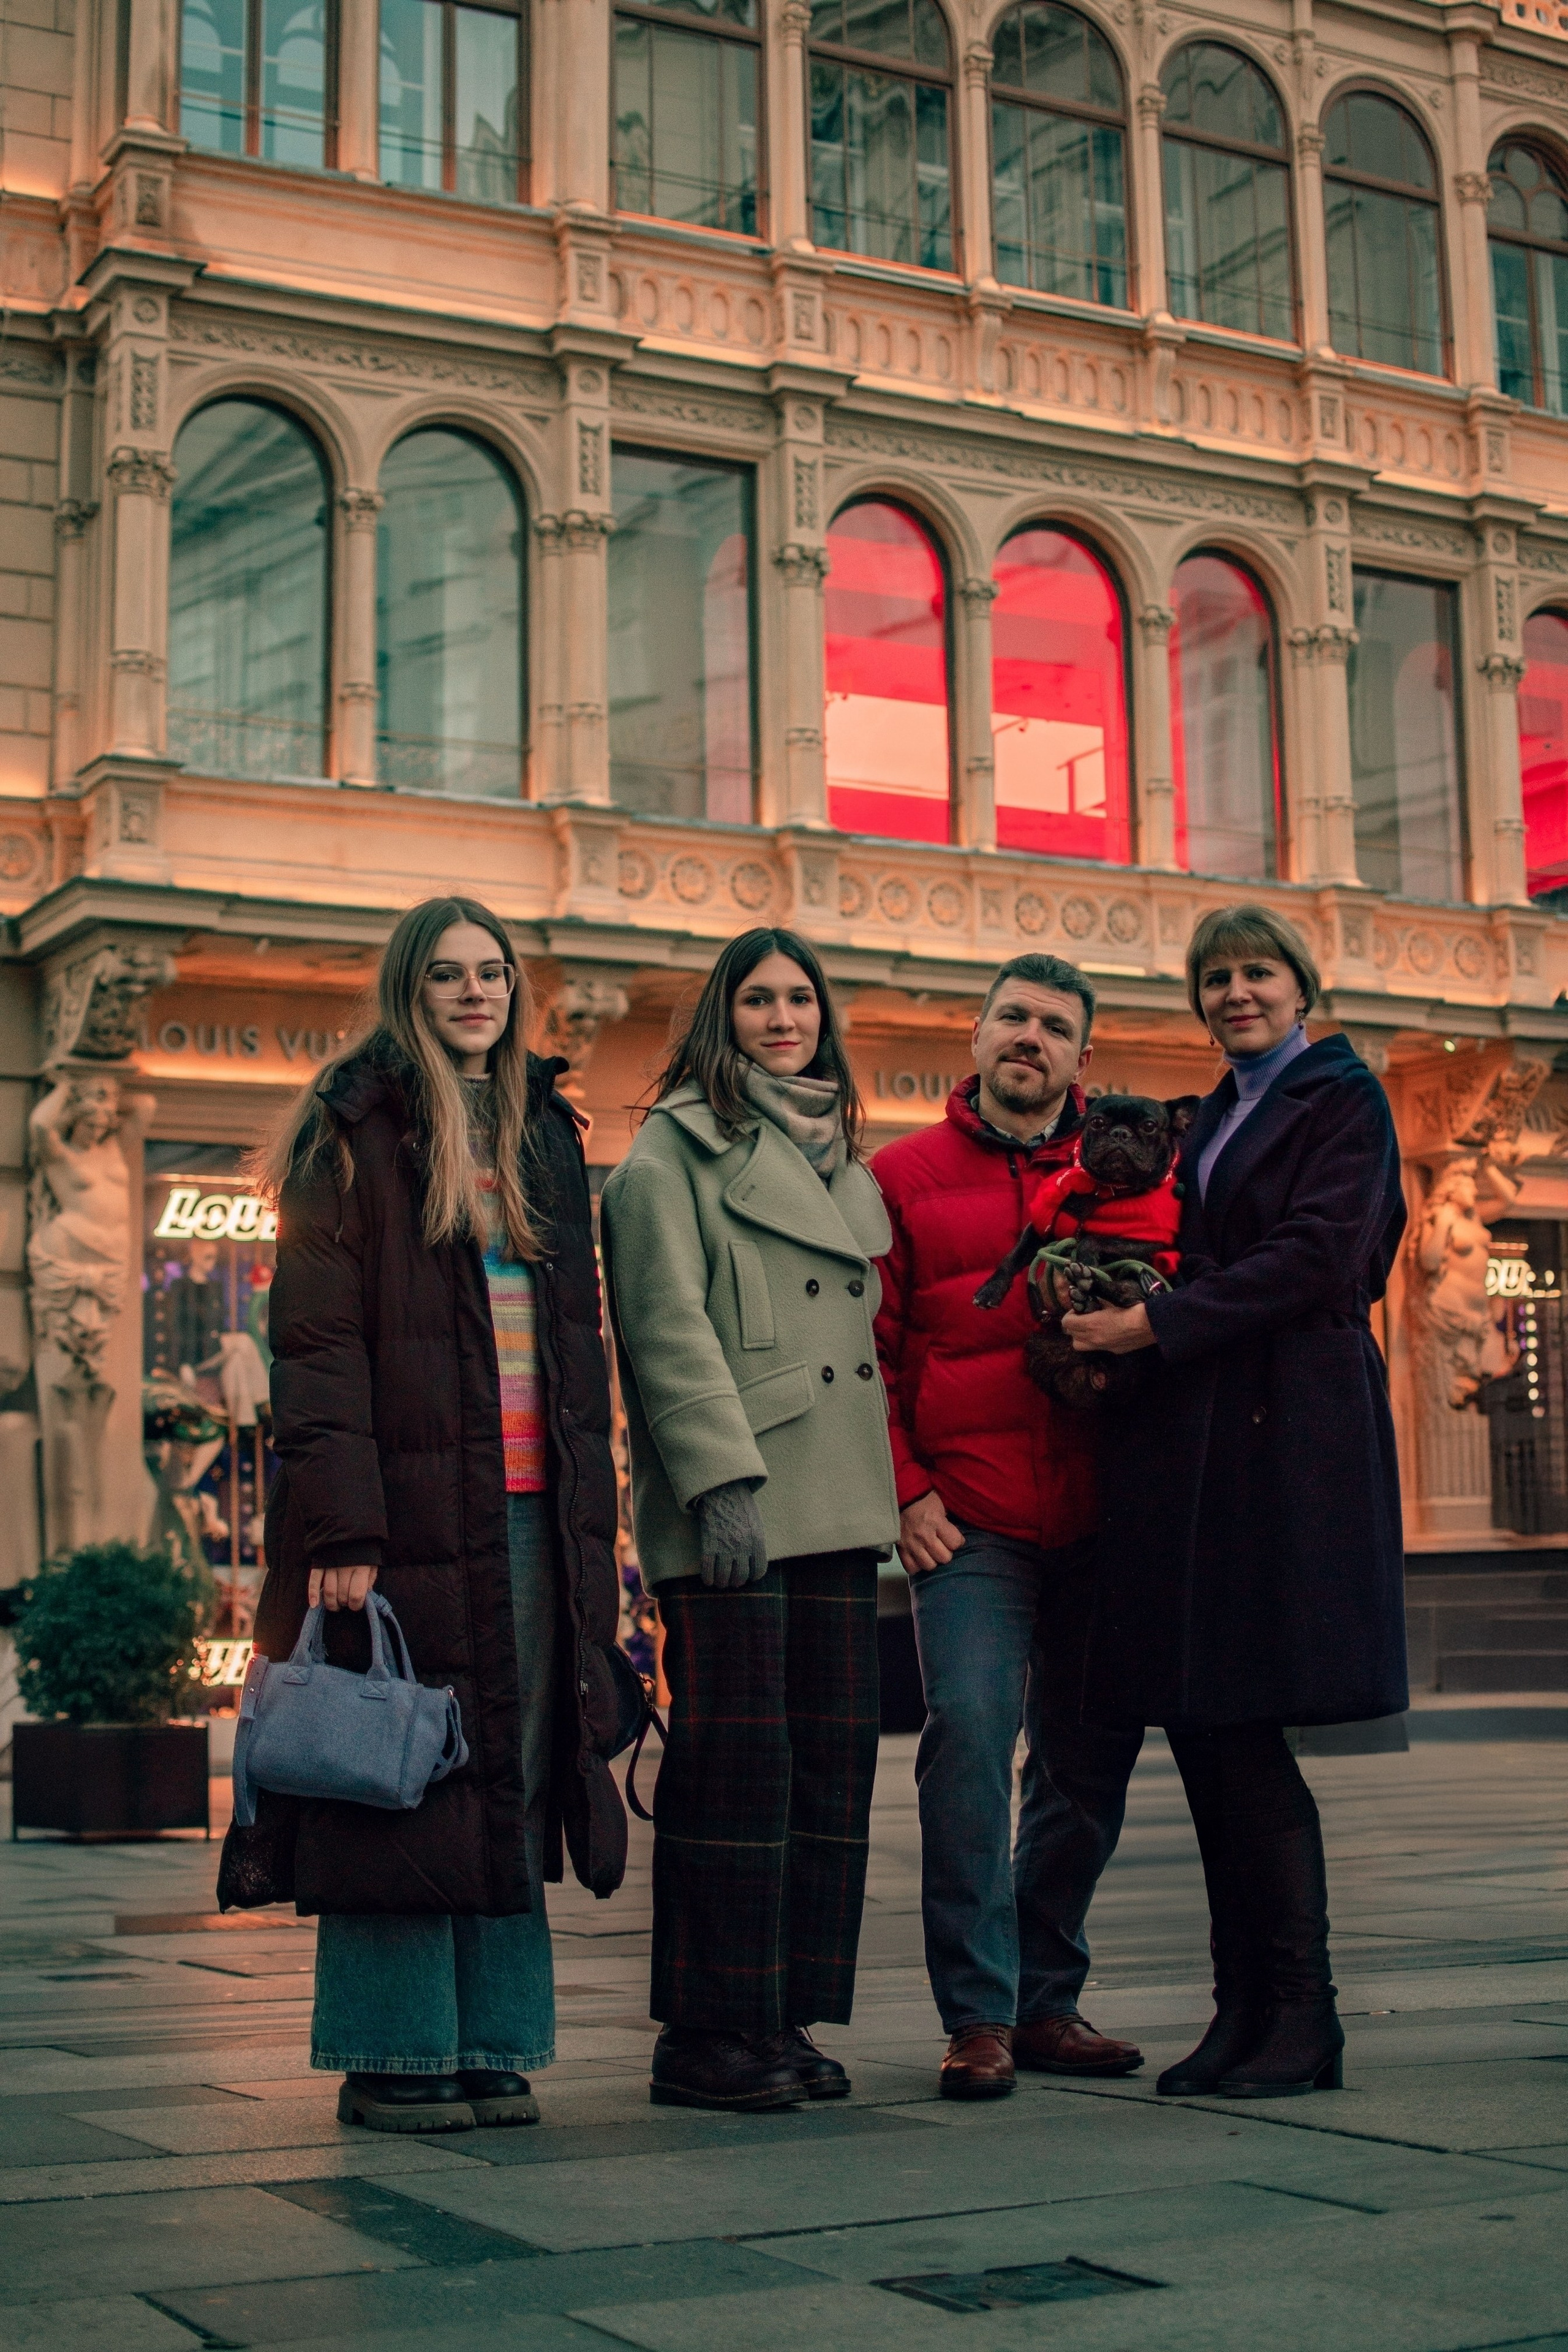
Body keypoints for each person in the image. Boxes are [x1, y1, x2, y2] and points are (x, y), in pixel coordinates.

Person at [230, 895, 627, 2133]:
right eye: (448, 974)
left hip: (525, 1515)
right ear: (409, 988)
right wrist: (342, 1531)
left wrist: (594, 1527)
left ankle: (496, 2039)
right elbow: (316, 1346)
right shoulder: (352, 1128)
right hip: (396, 1520)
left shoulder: (545, 1138)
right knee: (394, 1777)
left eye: (493, 973)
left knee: (507, 1774)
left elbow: (578, 1351)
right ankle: (393, 2048)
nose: (474, 992)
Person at [1064, 904, 1408, 2098]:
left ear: (1298, 984)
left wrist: (1153, 1319)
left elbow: (1321, 1255)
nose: (1233, 994)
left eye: (1254, 973)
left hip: (1288, 1439)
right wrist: (1123, 1300)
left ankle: (1298, 2018)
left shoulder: (1339, 1097)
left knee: (1245, 1728)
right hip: (1208, 1441)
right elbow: (1203, 1251)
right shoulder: (1210, 1112)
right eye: (1213, 978)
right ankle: (1241, 2012)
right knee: (1207, 1728)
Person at [600, 927, 900, 2113]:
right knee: (735, 1763)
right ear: (721, 1017)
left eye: (800, 1000)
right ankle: (705, 2032)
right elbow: (662, 1321)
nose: (784, 1019)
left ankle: (781, 2011)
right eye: (758, 1001)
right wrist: (717, 1481)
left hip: (836, 1504)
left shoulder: (842, 1156)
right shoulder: (670, 1150)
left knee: (830, 1761)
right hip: (742, 1499)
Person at [872, 954, 1145, 2101]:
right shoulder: (900, 1174)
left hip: (1102, 1518)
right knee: (972, 1746)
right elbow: (870, 1355)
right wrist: (904, 1492)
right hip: (968, 1519)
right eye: (1014, 1019)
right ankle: (977, 2014)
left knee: (1086, 1768)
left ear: (1084, 1056)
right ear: (976, 1035)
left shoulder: (1132, 1173)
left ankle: (1047, 2002)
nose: (1031, 1038)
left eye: (1055, 1026)